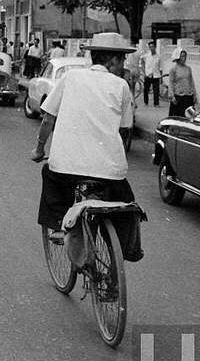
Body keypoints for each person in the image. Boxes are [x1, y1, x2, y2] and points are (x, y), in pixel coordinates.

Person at [29, 32, 136, 236]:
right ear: (114, 59)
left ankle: (59, 224)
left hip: (66, 168)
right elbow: (124, 128)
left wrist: (39, 149)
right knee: (124, 206)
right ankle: (124, 247)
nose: (124, 64)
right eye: (123, 59)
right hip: (108, 172)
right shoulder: (121, 85)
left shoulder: (70, 77)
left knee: (50, 174)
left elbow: (48, 119)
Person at [165, 48, 196, 117]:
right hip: (179, 97)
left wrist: (194, 94)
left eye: (185, 56)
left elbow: (191, 81)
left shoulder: (188, 68)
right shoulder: (173, 69)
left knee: (188, 117)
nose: (184, 58)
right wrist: (172, 96)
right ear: (178, 57)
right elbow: (171, 83)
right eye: (182, 56)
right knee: (177, 117)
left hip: (188, 96)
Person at [140, 40, 163, 107]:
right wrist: (144, 72)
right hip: (148, 74)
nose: (151, 48)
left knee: (156, 90)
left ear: (155, 47)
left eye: (152, 46)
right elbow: (142, 62)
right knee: (146, 89)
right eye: (150, 47)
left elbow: (160, 68)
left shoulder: (158, 57)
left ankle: (156, 103)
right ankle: (146, 102)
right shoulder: (146, 56)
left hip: (156, 75)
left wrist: (161, 77)